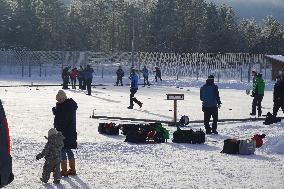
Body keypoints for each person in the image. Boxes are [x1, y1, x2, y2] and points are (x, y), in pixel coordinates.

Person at [52, 90, 78, 177]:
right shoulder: (68, 105)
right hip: (70, 132)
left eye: (61, 99)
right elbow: (61, 117)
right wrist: (56, 111)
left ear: (64, 98)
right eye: (59, 99)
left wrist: (59, 131)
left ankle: (64, 171)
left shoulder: (66, 107)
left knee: (62, 150)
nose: (60, 100)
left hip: (64, 133)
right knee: (68, 149)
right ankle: (72, 170)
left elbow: (63, 120)